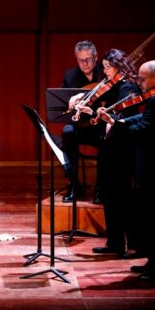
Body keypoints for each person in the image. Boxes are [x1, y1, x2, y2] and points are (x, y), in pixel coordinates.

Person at [97, 60, 155, 283]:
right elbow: (143, 119)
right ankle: (154, 262)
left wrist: (118, 126)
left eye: (143, 79)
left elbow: (144, 128)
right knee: (150, 217)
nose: (140, 83)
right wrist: (119, 121)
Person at [74, 49, 141, 256]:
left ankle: (133, 245)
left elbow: (119, 118)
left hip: (122, 149)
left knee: (121, 197)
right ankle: (114, 243)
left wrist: (95, 113)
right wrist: (88, 110)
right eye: (103, 67)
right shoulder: (111, 86)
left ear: (119, 66)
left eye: (107, 67)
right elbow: (104, 114)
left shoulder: (128, 88)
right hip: (108, 146)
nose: (105, 72)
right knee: (108, 196)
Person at [61, 40, 106, 202]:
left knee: (108, 138)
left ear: (95, 57)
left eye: (88, 59)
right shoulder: (70, 76)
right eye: (81, 60)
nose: (85, 64)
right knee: (67, 133)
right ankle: (74, 184)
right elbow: (63, 108)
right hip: (79, 126)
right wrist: (70, 104)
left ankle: (101, 188)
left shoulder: (105, 74)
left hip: (99, 126)